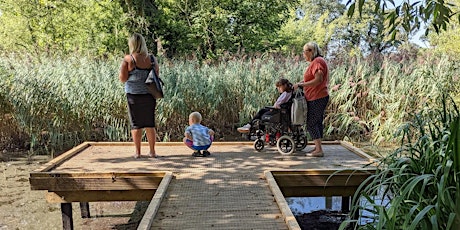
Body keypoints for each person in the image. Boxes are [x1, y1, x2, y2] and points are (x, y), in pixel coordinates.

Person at [119, 33, 160, 159]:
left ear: (132, 44)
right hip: (149, 95)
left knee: (136, 124)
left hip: (133, 95)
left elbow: (123, 79)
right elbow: (156, 76)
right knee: (149, 123)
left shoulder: (128, 59)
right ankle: (152, 152)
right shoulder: (152, 59)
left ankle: (138, 152)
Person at [293, 42, 329, 157]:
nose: (303, 54)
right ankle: (318, 147)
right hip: (317, 96)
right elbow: (314, 79)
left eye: (304, 52)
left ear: (311, 51)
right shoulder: (317, 62)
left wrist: (302, 86)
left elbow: (318, 80)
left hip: (317, 96)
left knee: (311, 123)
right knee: (316, 122)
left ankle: (319, 150)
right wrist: (300, 83)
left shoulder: (317, 62)